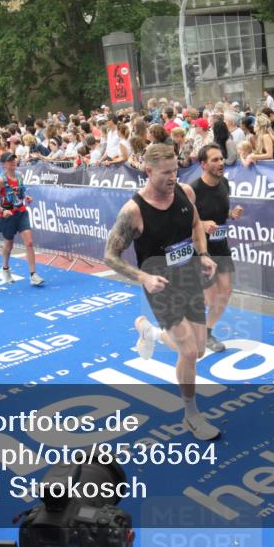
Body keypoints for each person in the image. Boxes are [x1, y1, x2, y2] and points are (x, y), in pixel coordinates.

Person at [104, 143, 220, 440]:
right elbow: (110, 256)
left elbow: (196, 224)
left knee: (198, 349)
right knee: (189, 351)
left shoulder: (185, 192)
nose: (172, 177)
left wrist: (203, 254)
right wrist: (143, 277)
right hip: (161, 287)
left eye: (175, 171)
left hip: (189, 279)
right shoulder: (133, 211)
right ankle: (191, 415)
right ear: (148, 171)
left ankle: (152, 334)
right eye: (166, 173)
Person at [190, 144, 244, 354]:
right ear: (203, 164)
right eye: (215, 160)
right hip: (200, 249)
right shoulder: (193, 190)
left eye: (221, 159)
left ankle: (207, 332)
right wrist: (202, 224)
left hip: (221, 246)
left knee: (226, 291)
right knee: (210, 297)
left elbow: (221, 214)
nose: (221, 163)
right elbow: (182, 222)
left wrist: (231, 215)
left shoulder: (224, 183)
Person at [0, 152, 44, 286]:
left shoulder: (19, 175)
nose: (13, 162)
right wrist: (3, 210)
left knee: (29, 242)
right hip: (8, 216)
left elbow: (21, 191)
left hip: (21, 212)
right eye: (10, 160)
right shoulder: (1, 181)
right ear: (4, 164)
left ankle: (33, 274)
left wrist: (26, 197)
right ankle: (5, 268)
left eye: (14, 159)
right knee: (9, 245)